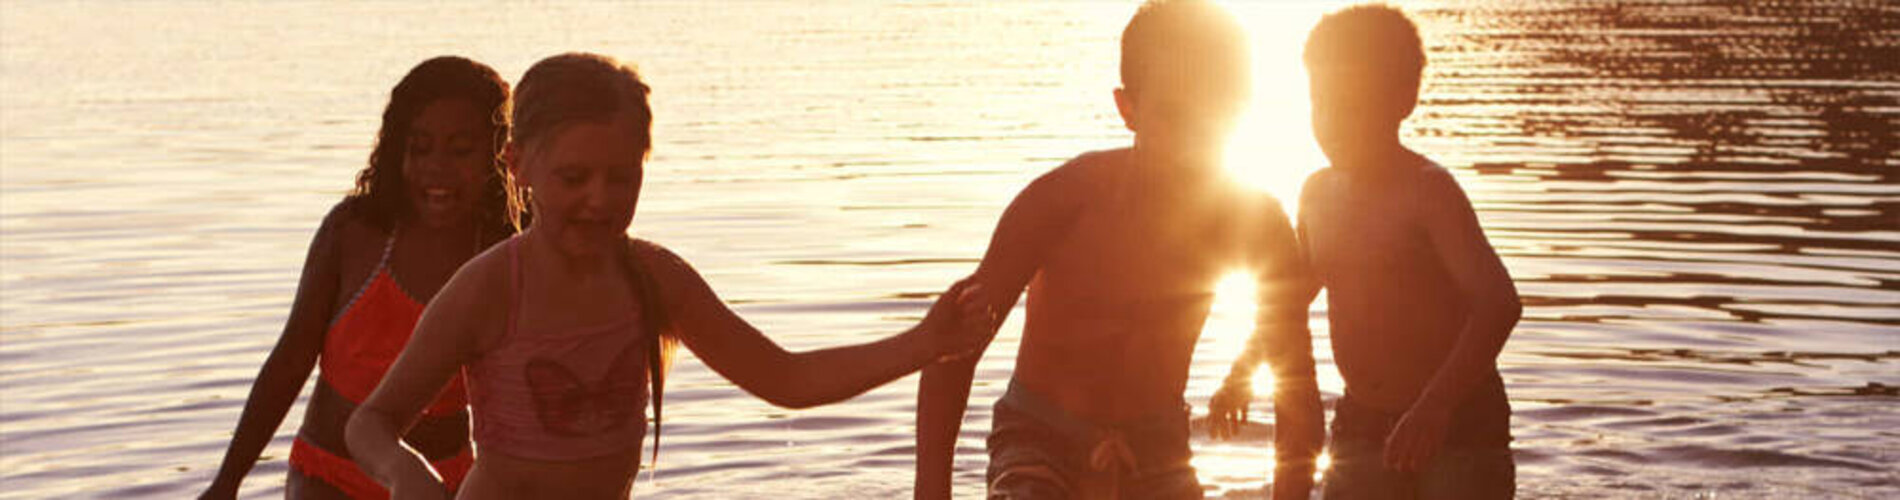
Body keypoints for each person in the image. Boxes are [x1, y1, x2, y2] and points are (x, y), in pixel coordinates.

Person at [344, 52, 991, 500]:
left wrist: (925, 343)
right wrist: (407, 475)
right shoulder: (489, 289)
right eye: (574, 178)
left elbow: (786, 380)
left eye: (621, 177)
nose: (600, 198)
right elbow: (370, 423)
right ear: (517, 166)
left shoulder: (653, 279)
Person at [915, 1, 1325, 498]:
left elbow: (1296, 393)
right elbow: (951, 356)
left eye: (1216, 114)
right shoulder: (1062, 200)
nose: (1195, 143)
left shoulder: (1256, 223)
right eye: (1175, 117)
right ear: (1127, 108)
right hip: (1040, 441)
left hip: (1158, 450)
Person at [1213, 5, 1523, 499]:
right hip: (1363, 420)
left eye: (1352, 105)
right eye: (1321, 103)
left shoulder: (1428, 192)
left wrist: (1434, 406)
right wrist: (1242, 371)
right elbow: (1290, 298)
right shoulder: (1316, 193)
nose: (1333, 122)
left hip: (1459, 419)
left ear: (1403, 99)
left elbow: (1498, 303)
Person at [202, 56, 516, 499]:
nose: (437, 167)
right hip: (328, 475)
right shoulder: (353, 233)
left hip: (446, 483)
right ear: (395, 150)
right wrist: (227, 482)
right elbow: (290, 361)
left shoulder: (508, 254)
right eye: (419, 148)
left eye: (460, 150)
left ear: (500, 155)